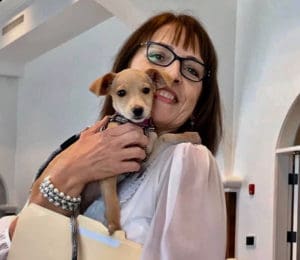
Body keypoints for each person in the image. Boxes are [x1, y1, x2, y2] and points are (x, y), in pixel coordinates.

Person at [0, 11, 226, 259]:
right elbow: (16, 240)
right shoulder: (82, 143)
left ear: (200, 99)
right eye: (159, 56)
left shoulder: (187, 159)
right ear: (124, 68)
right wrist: (70, 170)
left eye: (192, 71)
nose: (172, 75)